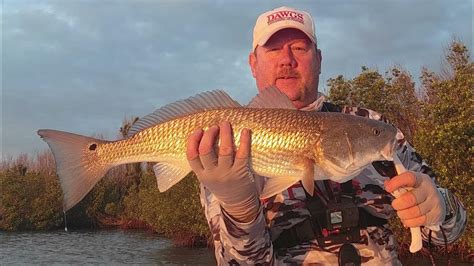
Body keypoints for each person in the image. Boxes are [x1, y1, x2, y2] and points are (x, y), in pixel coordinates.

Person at [185, 6, 466, 265]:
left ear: (318, 59)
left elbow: (446, 235)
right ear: (253, 63)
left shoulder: (372, 127)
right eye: (273, 50)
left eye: (299, 47)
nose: (287, 60)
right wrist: (240, 209)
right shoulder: (222, 144)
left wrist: (441, 208)